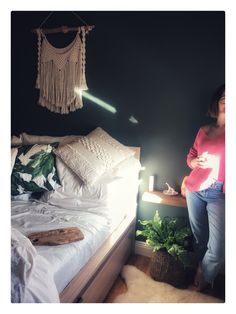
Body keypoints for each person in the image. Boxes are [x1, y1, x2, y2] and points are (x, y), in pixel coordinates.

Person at [185, 84, 225, 291]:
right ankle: (200, 267)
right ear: (216, 103)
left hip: (220, 193)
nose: (227, 101)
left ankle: (204, 273)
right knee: (200, 238)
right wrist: (194, 163)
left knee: (218, 249)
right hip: (195, 189)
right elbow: (191, 154)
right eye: (223, 98)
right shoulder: (204, 130)